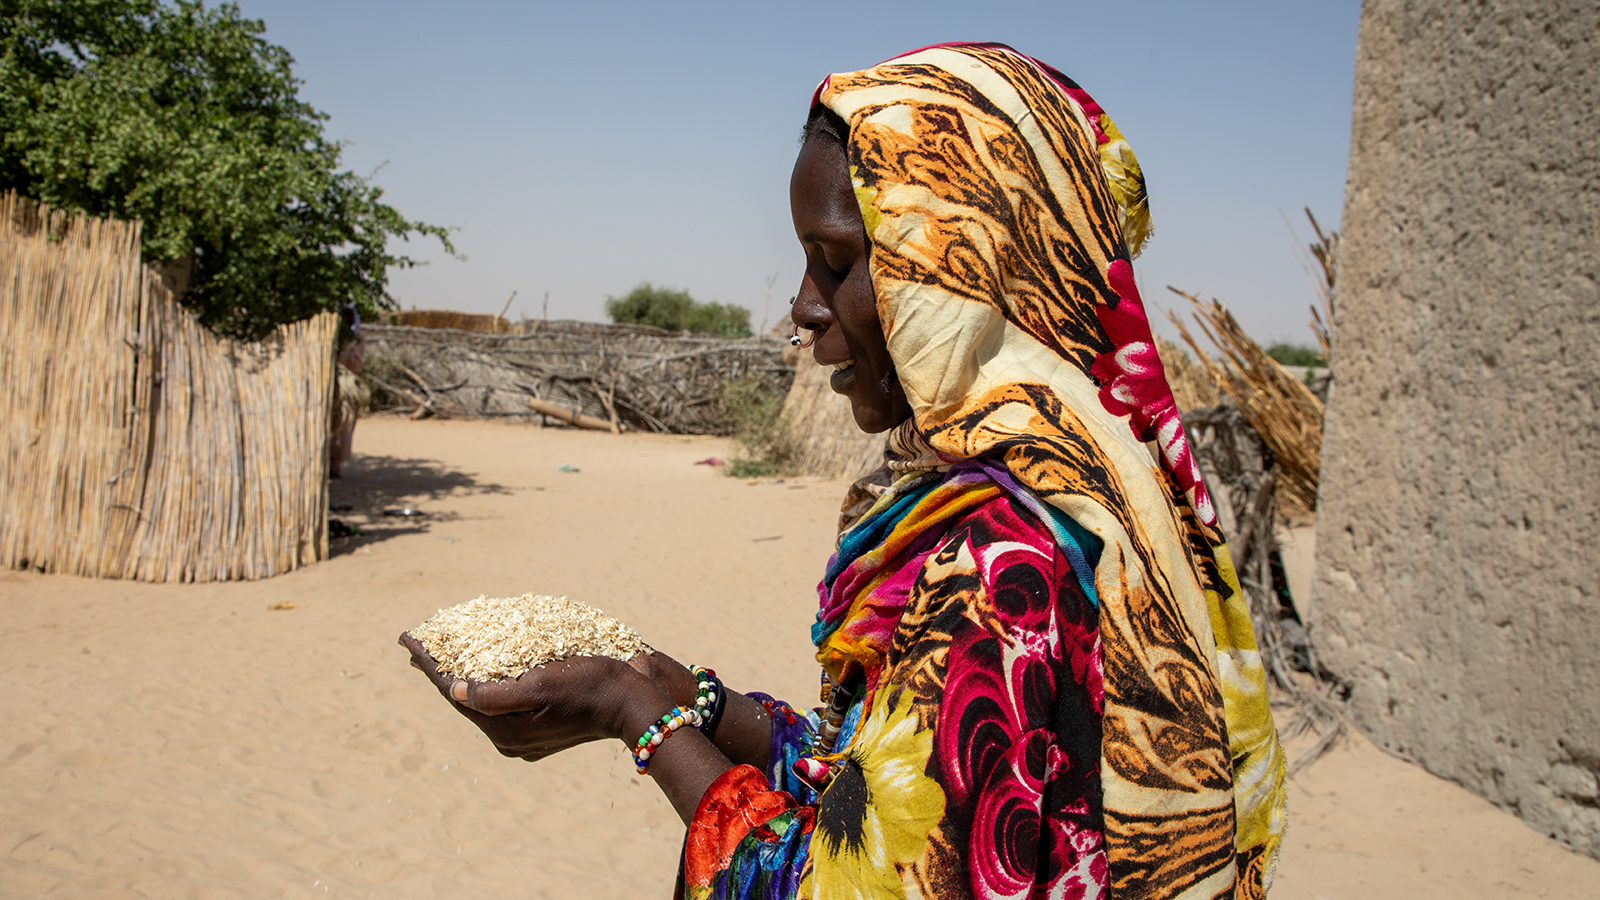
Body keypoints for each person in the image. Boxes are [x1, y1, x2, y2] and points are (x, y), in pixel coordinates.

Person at [402, 42, 1286, 900]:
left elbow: (841, 881)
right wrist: (692, 697)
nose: (802, 306)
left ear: (956, 267)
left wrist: (629, 710)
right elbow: (887, 782)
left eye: (836, 262)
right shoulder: (1098, 486)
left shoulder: (999, 558)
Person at [330, 303, 369, 479]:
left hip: (347, 389)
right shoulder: (332, 336)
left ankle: (336, 464)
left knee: (343, 428)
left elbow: (355, 362)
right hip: (332, 387)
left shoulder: (358, 340)